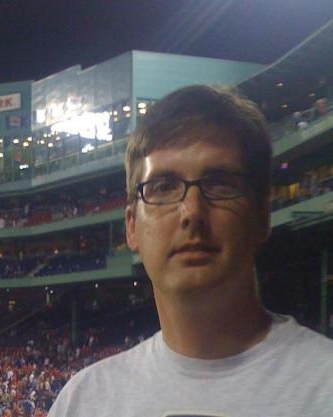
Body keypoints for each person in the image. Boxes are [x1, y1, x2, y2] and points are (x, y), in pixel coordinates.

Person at [47, 85, 333, 416]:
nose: (192, 212)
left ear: (261, 216)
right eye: (164, 187)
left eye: (220, 184)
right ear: (131, 227)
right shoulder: (82, 402)